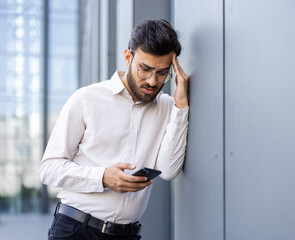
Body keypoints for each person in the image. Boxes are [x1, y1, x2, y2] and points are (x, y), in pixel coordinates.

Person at [39, 19, 189, 240]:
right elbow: (49, 168)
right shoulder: (86, 99)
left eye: (162, 73)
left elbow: (168, 169)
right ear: (128, 57)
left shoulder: (168, 107)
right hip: (75, 230)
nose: (152, 81)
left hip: (127, 234)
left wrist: (181, 106)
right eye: (144, 69)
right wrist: (102, 177)